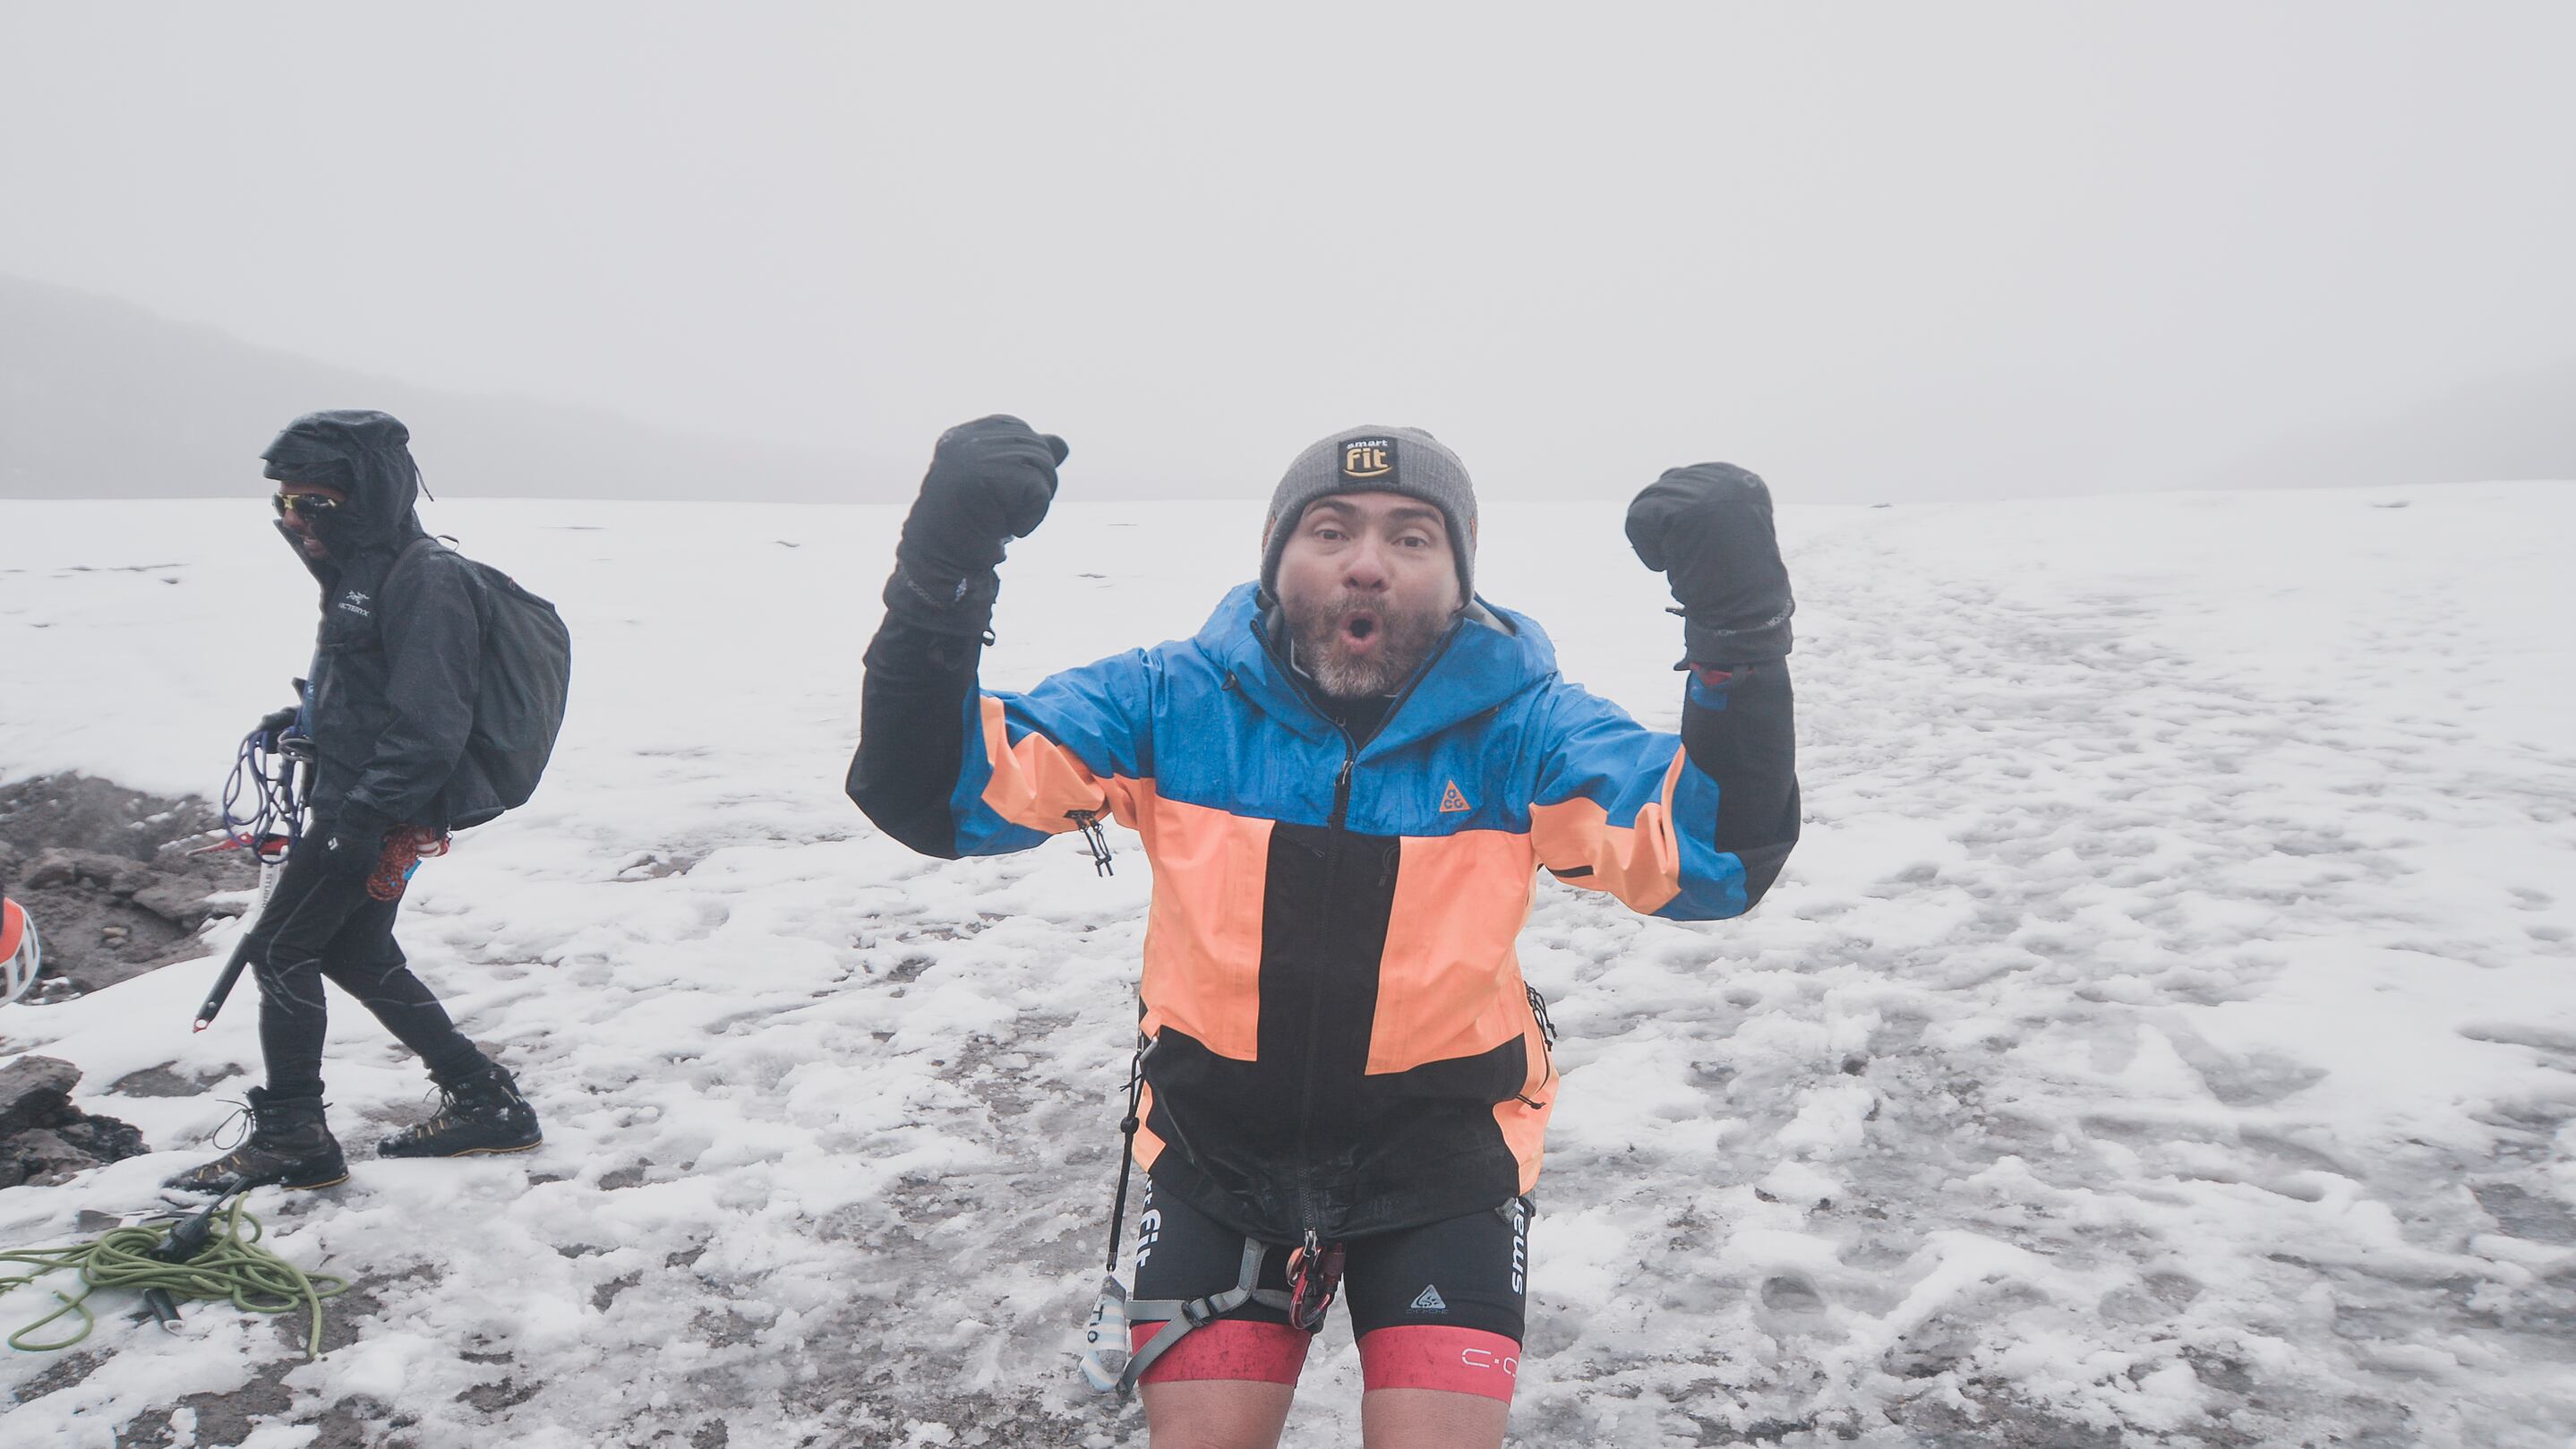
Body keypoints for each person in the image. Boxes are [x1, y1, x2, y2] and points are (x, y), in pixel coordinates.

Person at [848, 418, 1800, 1448]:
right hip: (1219, 1152)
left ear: (1460, 574)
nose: (1366, 565)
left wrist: (1739, 638)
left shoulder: (1526, 729)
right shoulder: (1171, 702)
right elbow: (930, 794)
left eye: (1413, 537)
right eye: (1331, 529)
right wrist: (942, 573)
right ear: (1275, 556)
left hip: (1444, 1156)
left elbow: (1712, 859)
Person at [167, 410, 541, 1195]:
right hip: (360, 800)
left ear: (365, 494)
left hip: (372, 812)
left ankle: (294, 1135)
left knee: (279, 950)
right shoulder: (360, 574)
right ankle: (485, 1100)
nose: (296, 520)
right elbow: (374, 691)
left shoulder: (423, 576)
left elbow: (431, 722)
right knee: (355, 952)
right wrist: (305, 722)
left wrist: (363, 824)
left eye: (315, 504)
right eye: (286, 505)